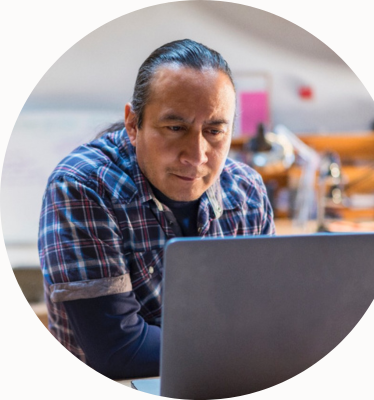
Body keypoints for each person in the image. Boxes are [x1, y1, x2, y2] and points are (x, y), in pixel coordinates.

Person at [38, 39, 275, 380]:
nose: (196, 154)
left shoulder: (247, 191)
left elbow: (268, 317)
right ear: (133, 125)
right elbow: (118, 351)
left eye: (214, 131)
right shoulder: (83, 186)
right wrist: (246, 346)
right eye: (175, 128)